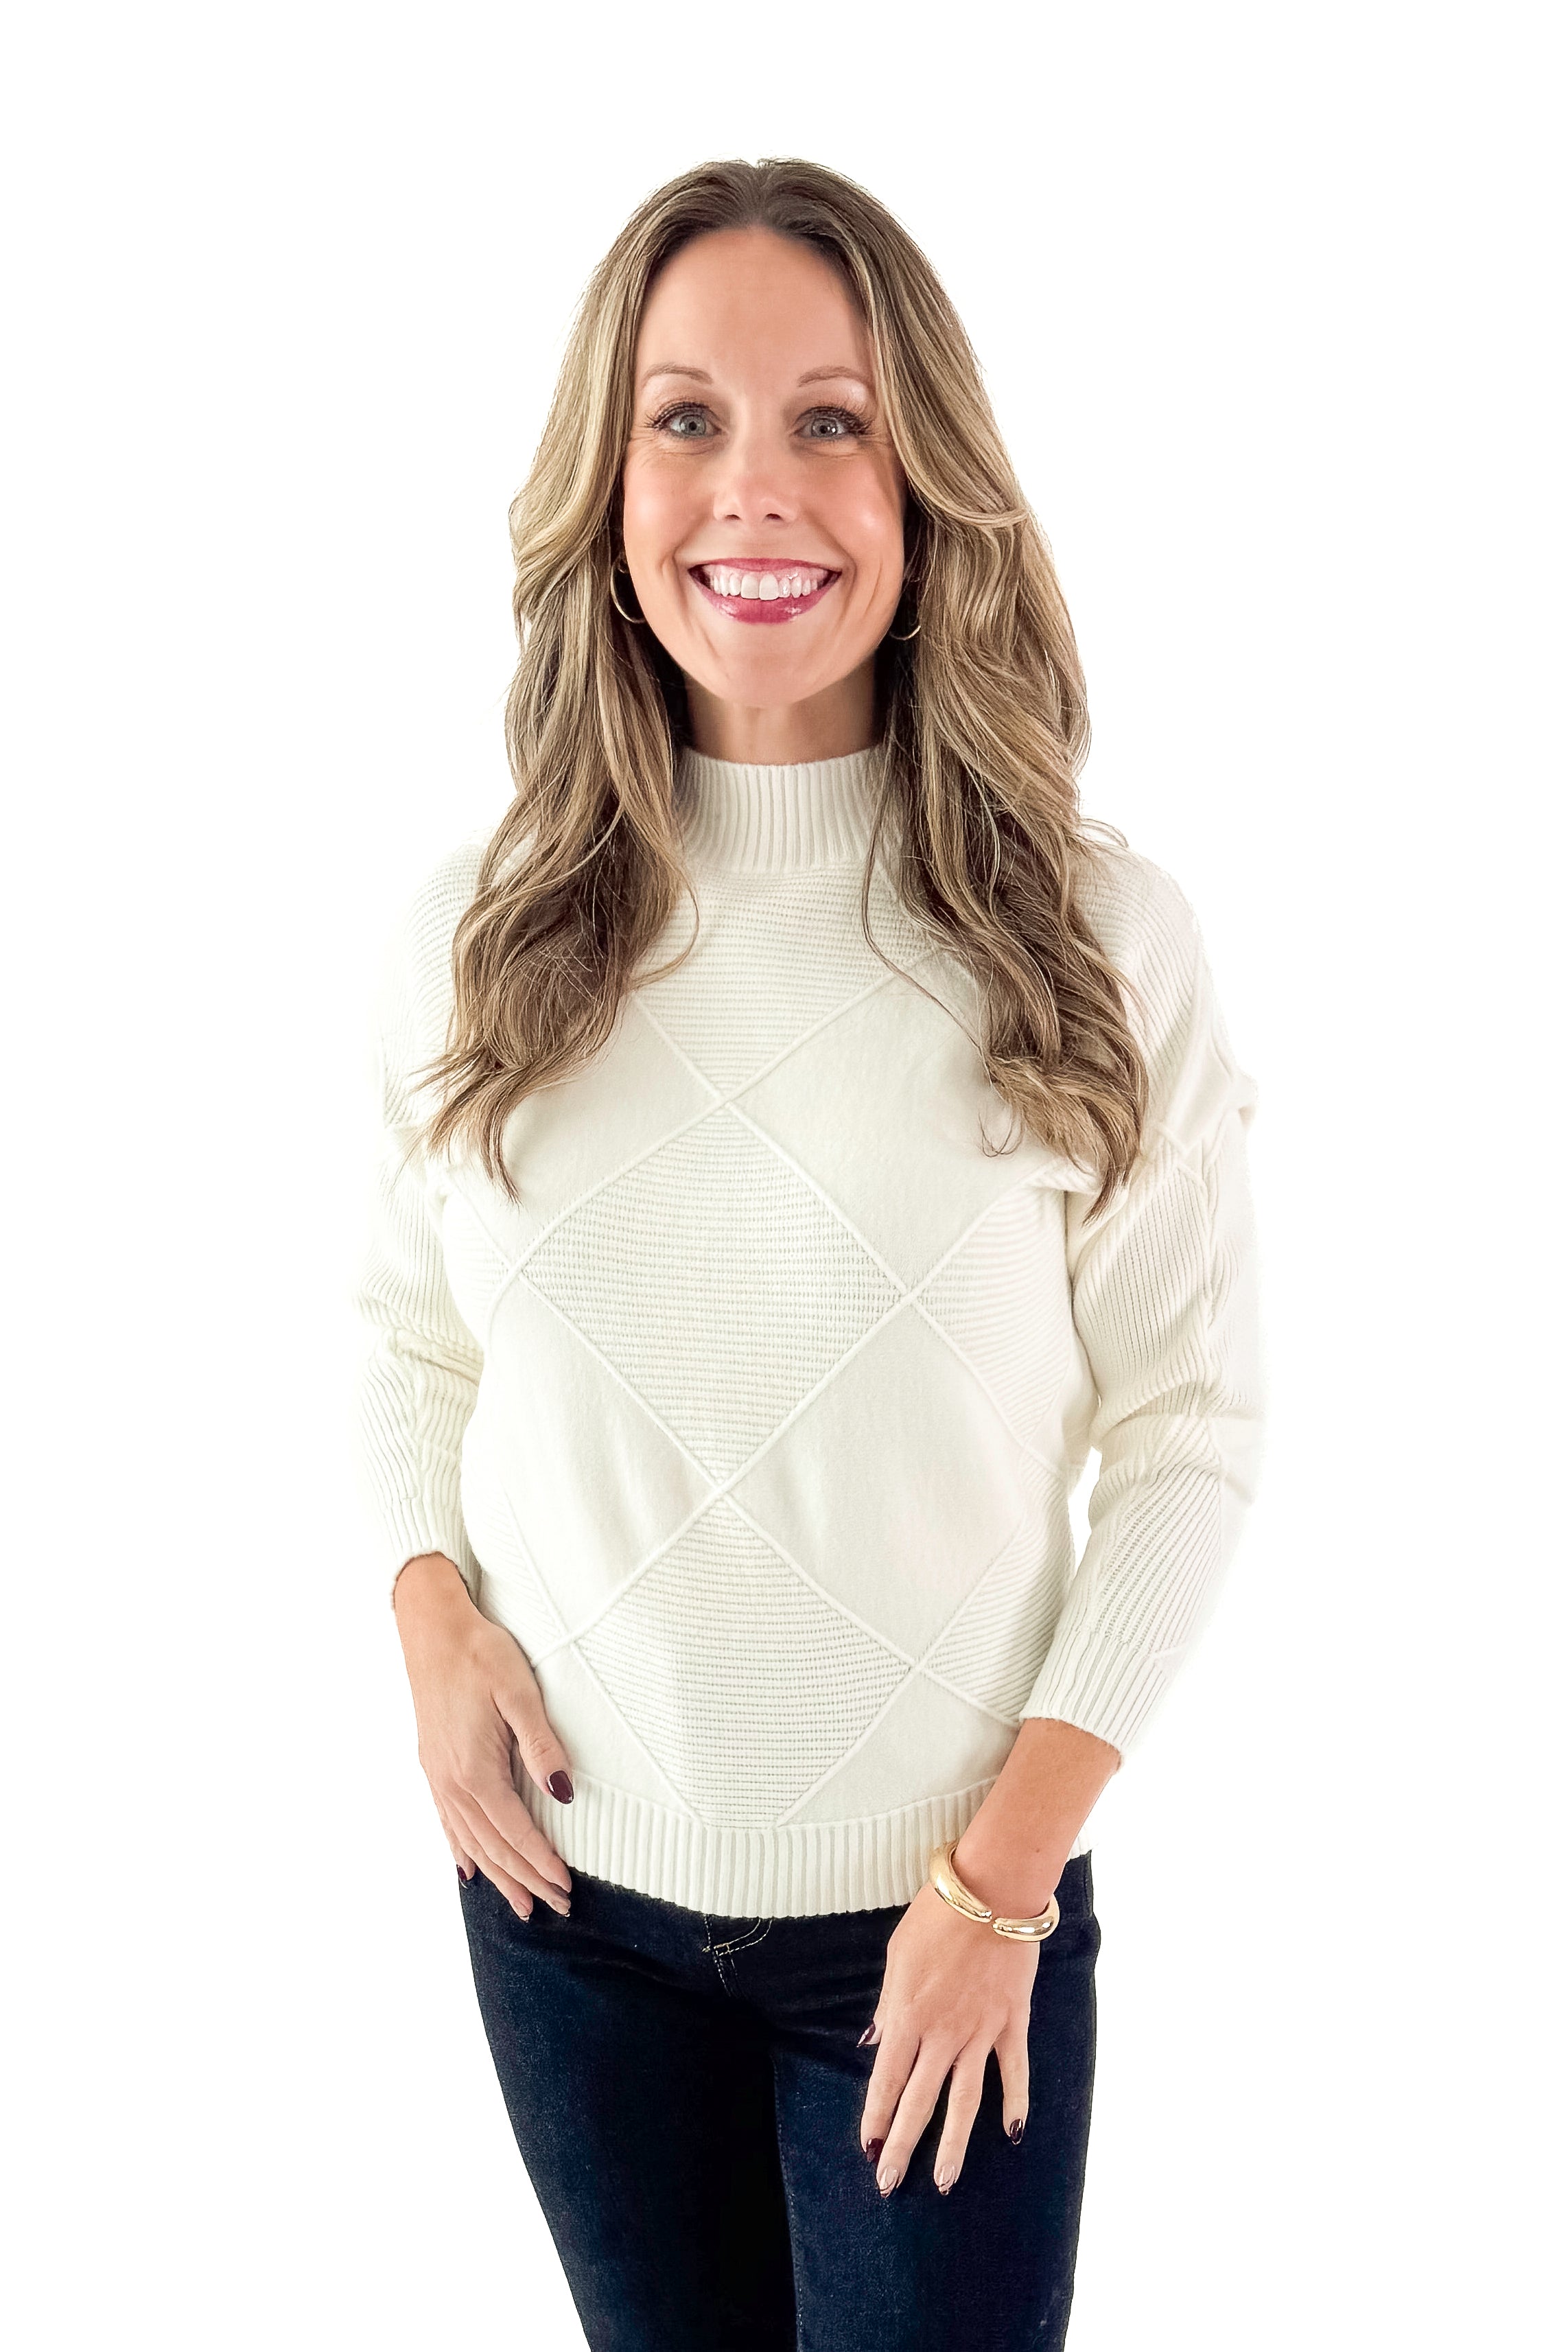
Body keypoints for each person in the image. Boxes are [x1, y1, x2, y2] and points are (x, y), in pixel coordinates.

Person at [354, 156, 1265, 2352]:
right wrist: (423, 1613)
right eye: (686, 417)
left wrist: (999, 1882)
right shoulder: (486, 930)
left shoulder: (1093, 937)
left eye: (828, 418)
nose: (754, 490)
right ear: (611, 477)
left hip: (936, 1935)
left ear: (923, 474)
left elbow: (1192, 1430)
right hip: (564, 1919)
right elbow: (406, 1329)